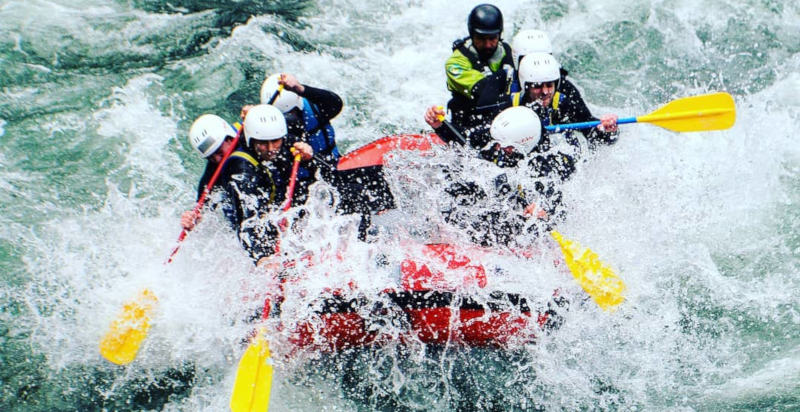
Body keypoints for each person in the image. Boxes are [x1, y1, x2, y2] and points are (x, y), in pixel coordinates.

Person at [221, 104, 314, 265]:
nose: (271, 149)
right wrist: (262, 257)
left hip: (281, 205)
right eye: (263, 143)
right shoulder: (241, 168)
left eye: (275, 141)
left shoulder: (286, 140)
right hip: (254, 216)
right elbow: (247, 221)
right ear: (252, 139)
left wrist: (309, 157)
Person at [511, 52, 618, 150]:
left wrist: (607, 129)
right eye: (537, 86)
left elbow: (594, 135)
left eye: (549, 85)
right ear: (526, 86)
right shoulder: (510, 107)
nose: (545, 92)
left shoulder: (564, 105)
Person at [445, 3, 515, 149]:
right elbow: (485, 92)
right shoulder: (455, 63)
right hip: (467, 130)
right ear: (472, 34)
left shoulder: (506, 51)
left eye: (492, 38)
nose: (488, 44)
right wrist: (504, 74)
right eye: (481, 39)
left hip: (507, 125)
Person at [181, 114, 240, 231]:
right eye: (211, 157)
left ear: (230, 138)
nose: (218, 160)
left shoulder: (251, 135)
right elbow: (201, 210)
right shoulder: (213, 172)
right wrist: (192, 218)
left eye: (219, 152)